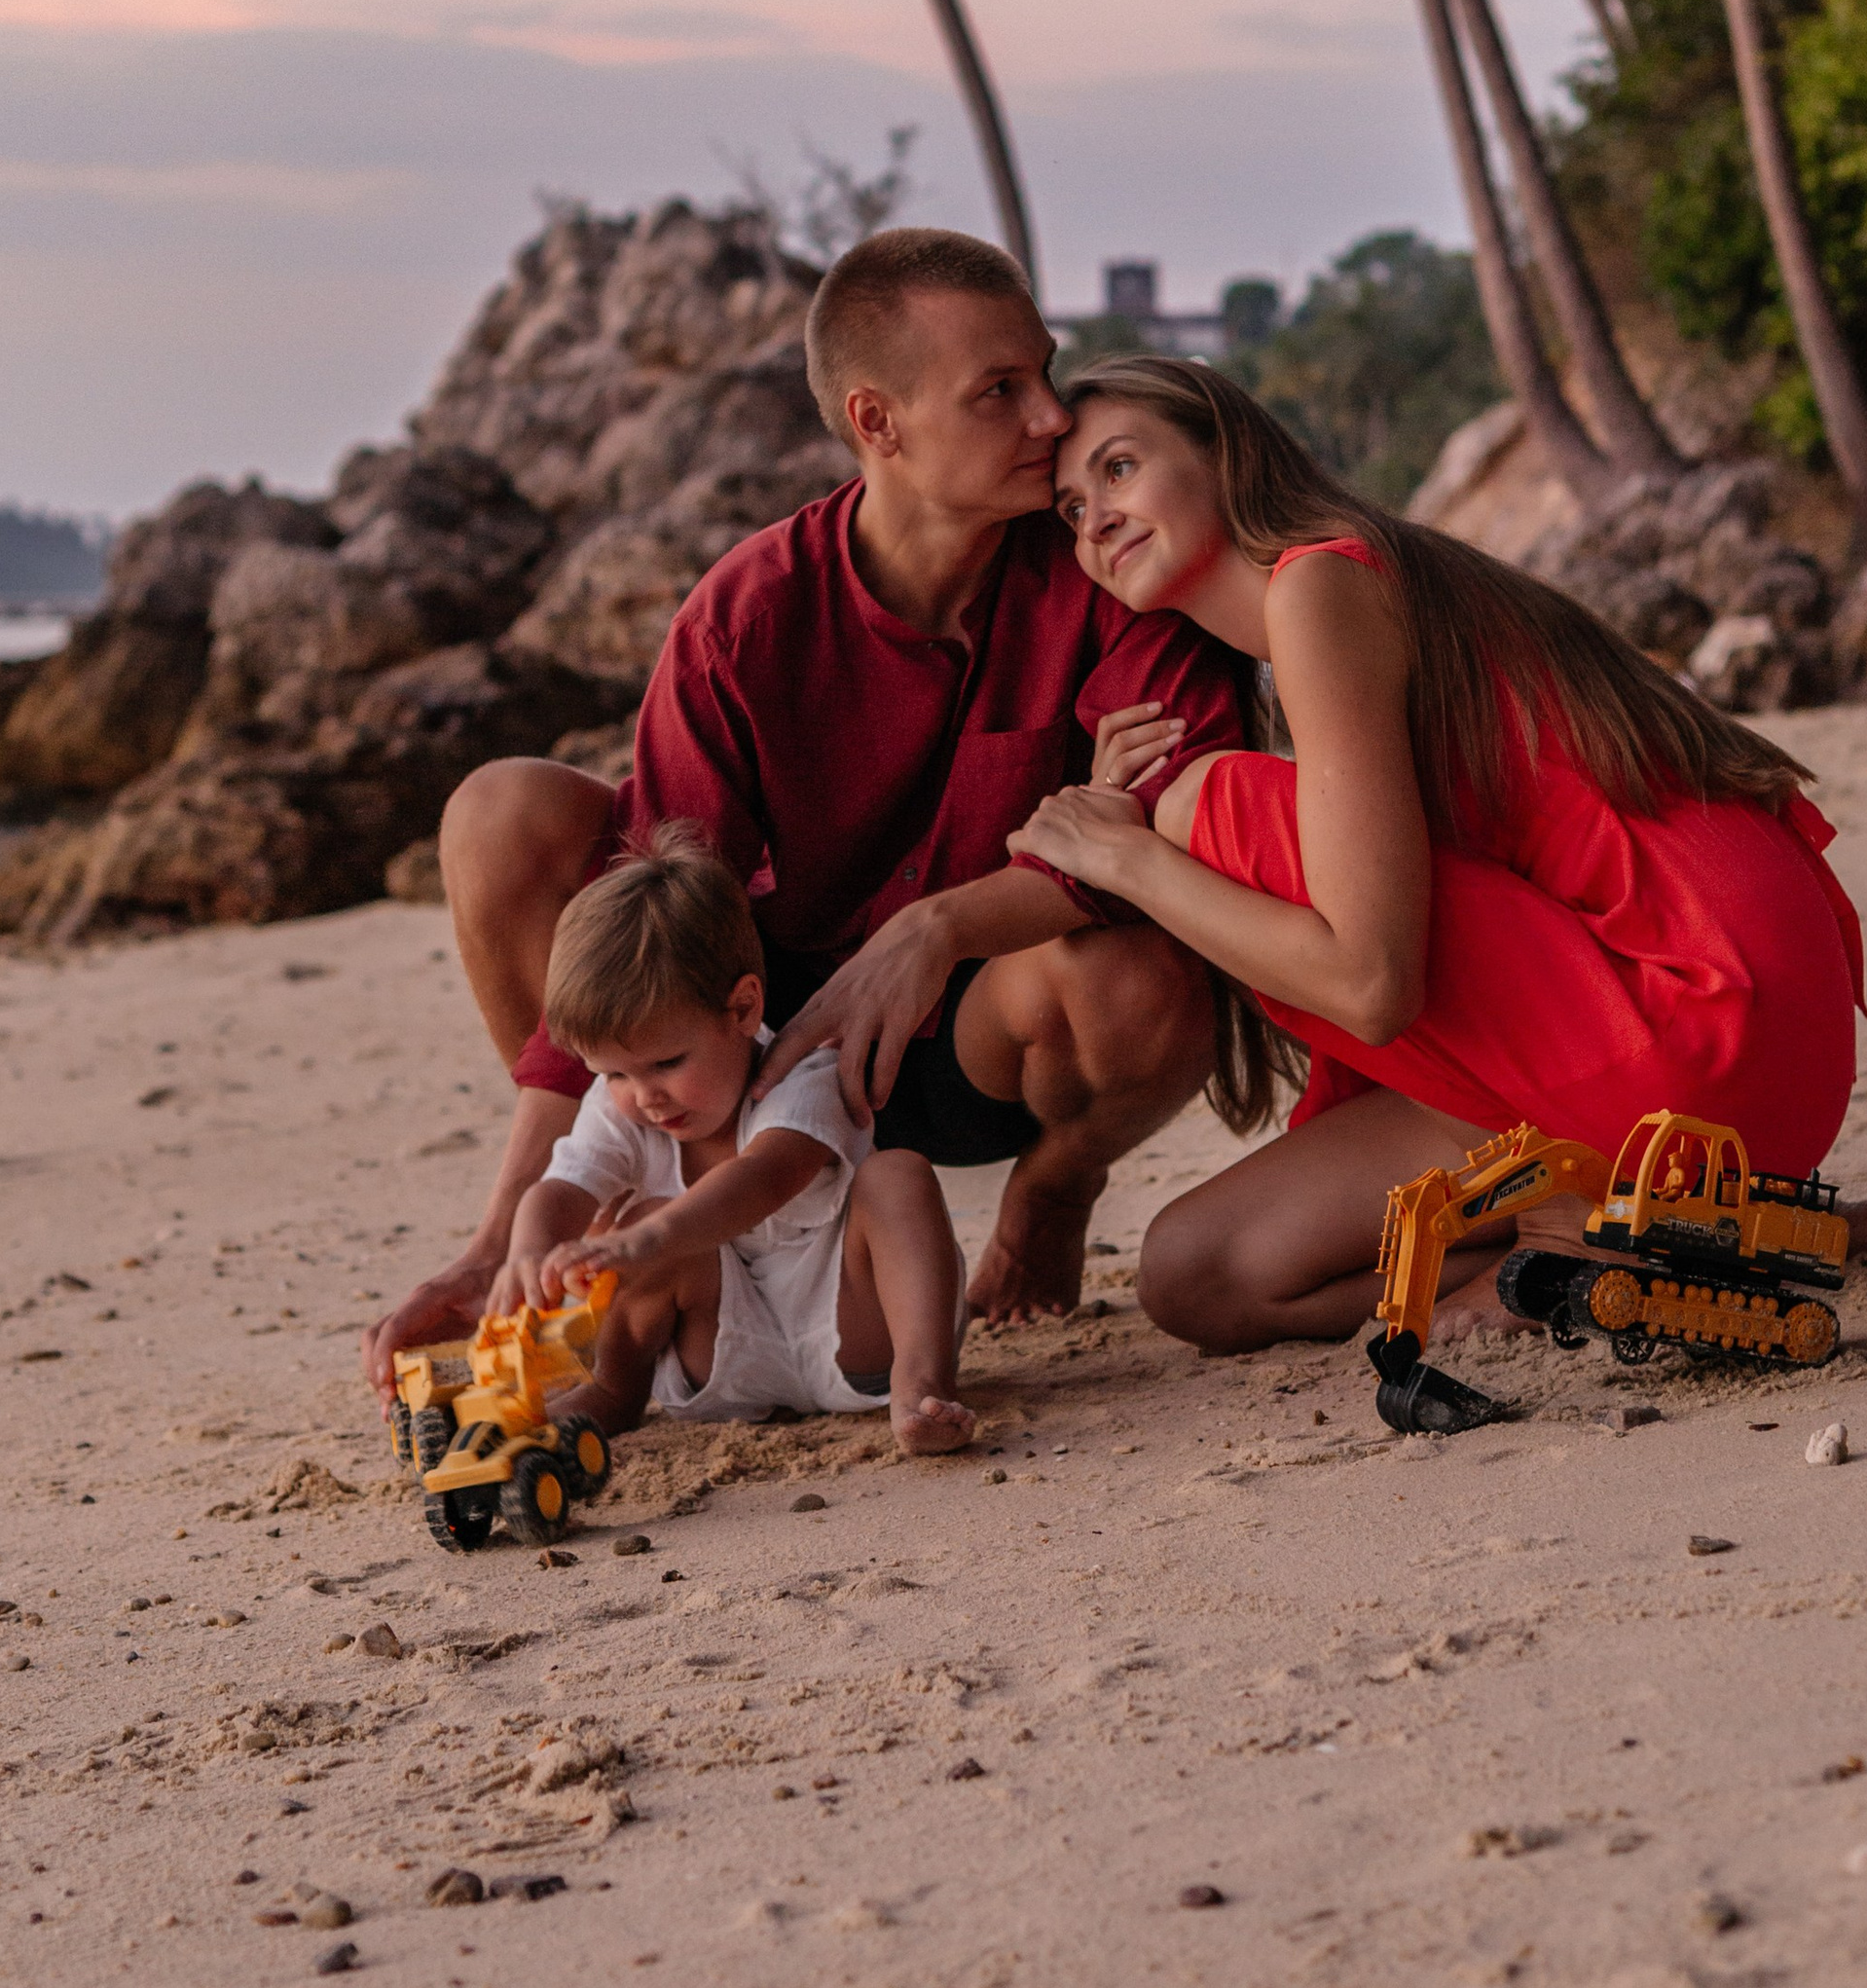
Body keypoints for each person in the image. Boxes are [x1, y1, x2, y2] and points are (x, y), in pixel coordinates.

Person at [362, 231, 1244, 1405]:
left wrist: (931, 930)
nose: (1050, 419)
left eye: (1043, 373)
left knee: (1144, 972)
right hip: (759, 1050)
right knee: (499, 812)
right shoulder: (749, 614)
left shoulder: (1105, 553)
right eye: (999, 392)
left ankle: (1056, 1187)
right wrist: (496, 1243)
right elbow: (647, 931)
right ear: (877, 422)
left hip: (983, 1023)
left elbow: (1192, 821)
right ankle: (686, 1200)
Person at [1008, 357, 1867, 1355]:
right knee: (1199, 1273)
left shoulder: (1321, 584)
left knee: (1206, 805)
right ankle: (1682, 1247)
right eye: (1068, 508)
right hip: (1752, 1090)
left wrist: (1131, 857)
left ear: (1227, 452)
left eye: (1117, 469)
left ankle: (1603, 1241)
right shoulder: (1362, 588)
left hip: (1691, 1028)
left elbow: (1370, 986)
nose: (1095, 521)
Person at [493, 826, 975, 1456]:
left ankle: (922, 1382)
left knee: (898, 1176)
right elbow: (562, 1188)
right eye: (613, 1073)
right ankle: (613, 1389)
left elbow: (763, 1179)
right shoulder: (625, 1111)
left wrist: (644, 1241)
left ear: (744, 1009)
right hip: (722, 1350)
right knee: (635, 1221)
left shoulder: (802, 1076)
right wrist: (528, 1252)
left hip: (853, 1326)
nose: (644, 1095)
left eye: (667, 1062)